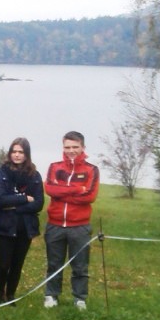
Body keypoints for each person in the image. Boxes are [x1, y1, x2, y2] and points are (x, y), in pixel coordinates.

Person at [43, 131, 99, 310]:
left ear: (83, 147)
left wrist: (62, 192)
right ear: (63, 148)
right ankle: (51, 295)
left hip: (80, 226)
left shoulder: (91, 170)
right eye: (67, 147)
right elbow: (50, 189)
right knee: (54, 263)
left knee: (80, 265)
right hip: (55, 224)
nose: (71, 150)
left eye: (75, 147)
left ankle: (79, 298)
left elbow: (89, 196)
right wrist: (76, 189)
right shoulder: (54, 167)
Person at [0, 137, 43, 304]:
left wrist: (16, 207)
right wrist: (24, 198)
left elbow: (38, 203)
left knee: (17, 264)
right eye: (14, 151)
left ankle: (11, 295)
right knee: (3, 264)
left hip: (25, 227)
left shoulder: (35, 175)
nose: (17, 155)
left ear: (26, 154)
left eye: (21, 152)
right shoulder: (2, 173)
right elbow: (0, 199)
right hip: (5, 226)